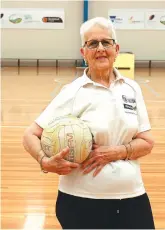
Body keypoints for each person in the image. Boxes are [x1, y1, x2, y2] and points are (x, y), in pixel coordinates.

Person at [23, 17, 155, 229]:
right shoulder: (73, 92)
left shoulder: (131, 88)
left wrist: (115, 152)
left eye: (106, 42)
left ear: (116, 49)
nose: (100, 48)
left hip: (133, 198)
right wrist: (44, 162)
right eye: (92, 44)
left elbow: (147, 142)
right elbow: (30, 135)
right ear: (84, 53)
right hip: (81, 202)